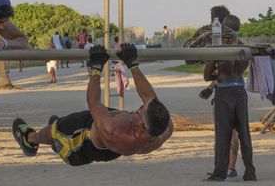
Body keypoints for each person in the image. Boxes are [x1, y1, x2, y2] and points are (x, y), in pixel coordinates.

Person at [12, 44, 173, 166]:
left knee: (54, 131)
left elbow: (93, 102)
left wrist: (96, 67)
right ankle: (57, 139)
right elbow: (150, 98)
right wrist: (133, 64)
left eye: (139, 111)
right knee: (62, 127)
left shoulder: (115, 130)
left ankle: (30, 140)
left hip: (81, 142)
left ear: (140, 127)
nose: (137, 110)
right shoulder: (162, 129)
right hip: (103, 138)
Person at [203, 27, 256, 181]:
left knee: (223, 135)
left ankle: (219, 173)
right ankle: (250, 172)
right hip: (239, 89)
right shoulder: (244, 50)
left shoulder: (219, 50)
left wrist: (213, 61)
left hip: (224, 91)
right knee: (244, 133)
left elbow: (207, 75)